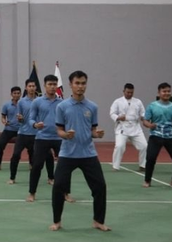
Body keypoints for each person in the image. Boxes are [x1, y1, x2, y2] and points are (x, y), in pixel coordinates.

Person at [50, 71, 110, 232]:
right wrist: (66, 135)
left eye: (83, 83)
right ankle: (57, 221)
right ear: (70, 84)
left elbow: (92, 130)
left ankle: (98, 221)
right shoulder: (62, 106)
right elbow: (59, 130)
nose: (80, 86)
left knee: (100, 187)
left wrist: (96, 134)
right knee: (58, 188)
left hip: (88, 154)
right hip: (67, 154)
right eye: (77, 83)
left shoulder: (92, 106)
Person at [27, 75, 71, 202]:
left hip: (59, 138)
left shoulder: (62, 103)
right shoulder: (37, 102)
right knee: (36, 166)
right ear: (45, 85)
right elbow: (31, 118)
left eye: (54, 84)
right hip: (42, 138)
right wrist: (35, 125)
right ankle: (32, 193)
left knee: (65, 167)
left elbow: (67, 119)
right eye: (50, 84)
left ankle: (66, 193)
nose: (52, 87)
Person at [142, 82, 172, 188]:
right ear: (159, 93)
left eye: (168, 91)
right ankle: (147, 180)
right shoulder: (152, 106)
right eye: (164, 91)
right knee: (151, 158)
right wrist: (150, 125)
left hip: (171, 137)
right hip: (155, 136)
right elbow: (145, 121)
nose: (166, 93)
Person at [109, 83, 147, 171]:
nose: (129, 94)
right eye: (128, 92)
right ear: (123, 91)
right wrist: (118, 117)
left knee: (144, 146)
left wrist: (143, 117)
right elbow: (112, 113)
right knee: (119, 146)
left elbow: (143, 113)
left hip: (135, 127)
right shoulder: (117, 101)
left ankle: (143, 165)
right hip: (122, 127)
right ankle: (115, 166)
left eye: (131, 92)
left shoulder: (138, 102)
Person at [9, 80, 37, 184]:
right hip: (23, 133)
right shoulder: (21, 102)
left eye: (33, 86)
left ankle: (49, 178)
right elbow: (19, 118)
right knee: (16, 155)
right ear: (26, 88)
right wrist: (20, 118)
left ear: (36, 88)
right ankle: (12, 178)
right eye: (29, 86)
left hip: (35, 134)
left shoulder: (39, 101)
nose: (31, 88)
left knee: (38, 158)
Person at [0, 86, 21, 171]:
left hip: (21, 130)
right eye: (14, 93)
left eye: (18, 93)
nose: (16, 95)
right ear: (11, 94)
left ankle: (31, 164)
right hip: (9, 129)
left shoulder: (23, 104)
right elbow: (3, 116)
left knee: (31, 147)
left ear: (20, 94)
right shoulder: (6, 105)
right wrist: (4, 121)